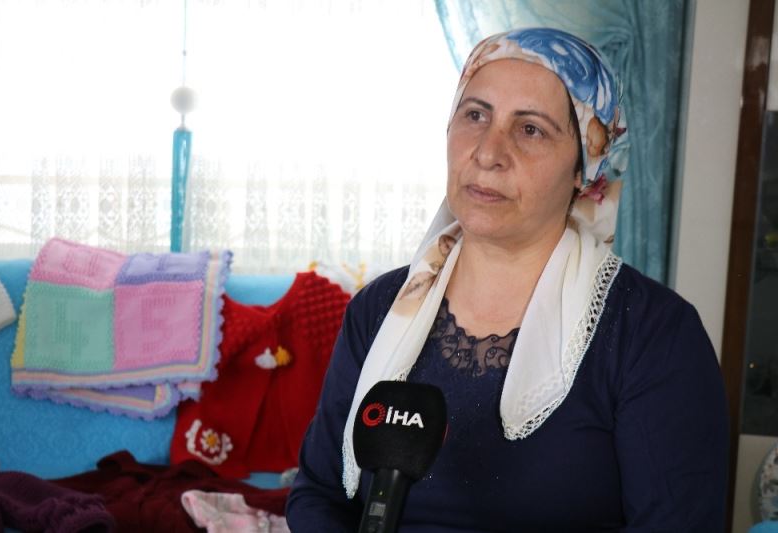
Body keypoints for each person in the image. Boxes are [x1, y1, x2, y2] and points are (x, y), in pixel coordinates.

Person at [286, 27, 729, 532]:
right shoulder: (379, 309)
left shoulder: (653, 335)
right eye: (475, 115)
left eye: (531, 129)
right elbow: (318, 493)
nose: (488, 152)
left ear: (584, 169)